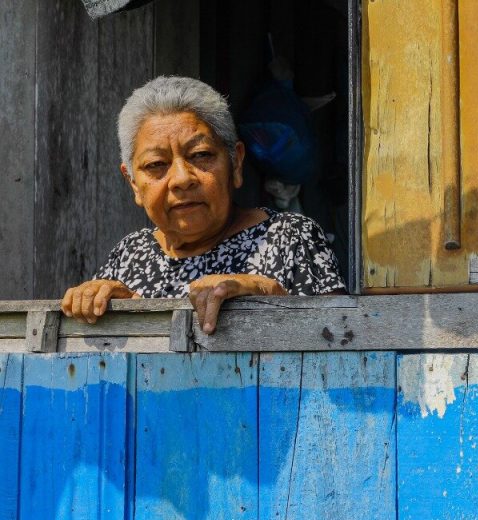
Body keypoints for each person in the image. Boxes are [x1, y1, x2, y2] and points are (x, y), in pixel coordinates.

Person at [61, 76, 345, 334]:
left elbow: (345, 343)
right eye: (157, 164)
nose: (182, 179)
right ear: (134, 182)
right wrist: (93, 300)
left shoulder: (290, 237)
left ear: (235, 163)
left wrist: (267, 292)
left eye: (200, 155)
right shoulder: (130, 254)